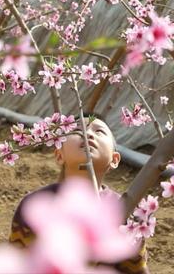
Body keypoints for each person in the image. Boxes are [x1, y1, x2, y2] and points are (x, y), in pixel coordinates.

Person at [9, 114, 149, 274]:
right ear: (59, 155)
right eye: (76, 130)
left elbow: (136, 270)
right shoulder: (36, 206)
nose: (87, 134)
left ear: (114, 159)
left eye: (99, 132)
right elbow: (19, 263)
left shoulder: (123, 211)